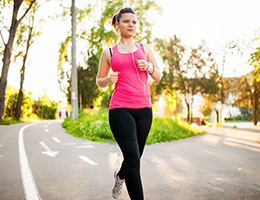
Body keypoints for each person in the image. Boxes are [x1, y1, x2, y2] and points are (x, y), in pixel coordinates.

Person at [96, 7, 161, 200]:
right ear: (117, 25)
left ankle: (121, 176)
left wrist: (149, 67)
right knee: (133, 157)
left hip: (144, 110)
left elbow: (158, 76)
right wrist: (108, 79)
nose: (130, 25)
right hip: (120, 109)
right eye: (126, 21)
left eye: (133, 21)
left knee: (135, 157)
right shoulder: (109, 53)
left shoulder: (144, 49)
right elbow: (99, 81)